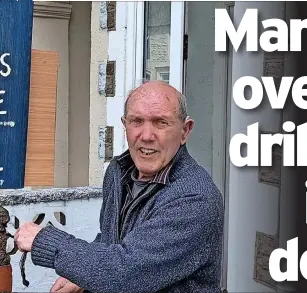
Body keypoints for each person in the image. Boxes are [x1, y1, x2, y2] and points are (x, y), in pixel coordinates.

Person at [14, 81, 224, 293]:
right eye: (136, 121)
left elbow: (125, 272)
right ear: (125, 124)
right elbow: (111, 241)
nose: (147, 135)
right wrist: (81, 276)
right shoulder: (119, 172)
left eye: (161, 122)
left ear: (185, 131)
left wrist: (44, 240)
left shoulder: (195, 198)